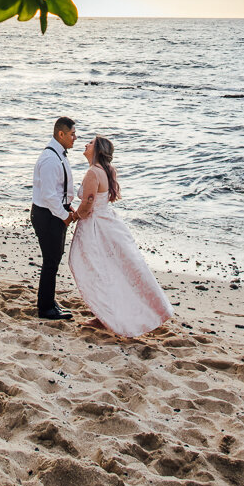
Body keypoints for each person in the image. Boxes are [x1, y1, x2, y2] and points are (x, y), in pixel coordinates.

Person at [69, 134, 173, 338]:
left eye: (90, 143)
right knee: (113, 269)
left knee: (91, 268)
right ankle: (106, 314)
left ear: (97, 150)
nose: (86, 144)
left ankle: (105, 314)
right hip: (109, 222)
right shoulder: (109, 171)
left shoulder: (92, 172)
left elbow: (89, 203)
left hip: (95, 227)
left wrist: (73, 217)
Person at [30, 116, 77, 321]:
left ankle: (49, 301)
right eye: (72, 134)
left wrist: (68, 204)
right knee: (51, 261)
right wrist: (65, 216)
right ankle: (45, 308)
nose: (75, 138)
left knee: (54, 260)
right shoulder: (50, 159)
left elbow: (58, 189)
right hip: (47, 216)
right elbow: (49, 196)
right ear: (61, 134)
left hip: (54, 212)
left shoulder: (59, 155)